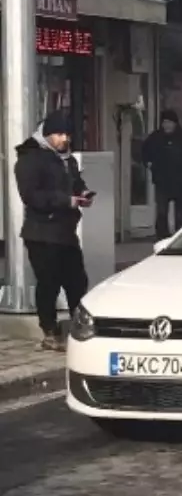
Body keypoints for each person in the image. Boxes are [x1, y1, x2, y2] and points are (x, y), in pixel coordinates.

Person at [13, 109, 93, 351]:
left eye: (67, 134)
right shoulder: (30, 158)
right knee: (49, 282)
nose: (64, 139)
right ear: (47, 134)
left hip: (65, 231)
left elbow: (76, 184)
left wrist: (83, 194)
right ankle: (49, 330)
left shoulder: (67, 159)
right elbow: (32, 196)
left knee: (77, 281)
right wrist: (66, 200)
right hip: (41, 232)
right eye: (59, 134)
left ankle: (80, 328)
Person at [142, 110, 182, 239]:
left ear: (175, 123)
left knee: (181, 215)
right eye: (164, 122)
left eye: (169, 122)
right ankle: (162, 238)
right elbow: (144, 151)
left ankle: (180, 238)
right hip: (162, 182)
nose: (167, 125)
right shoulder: (156, 138)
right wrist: (148, 163)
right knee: (161, 212)